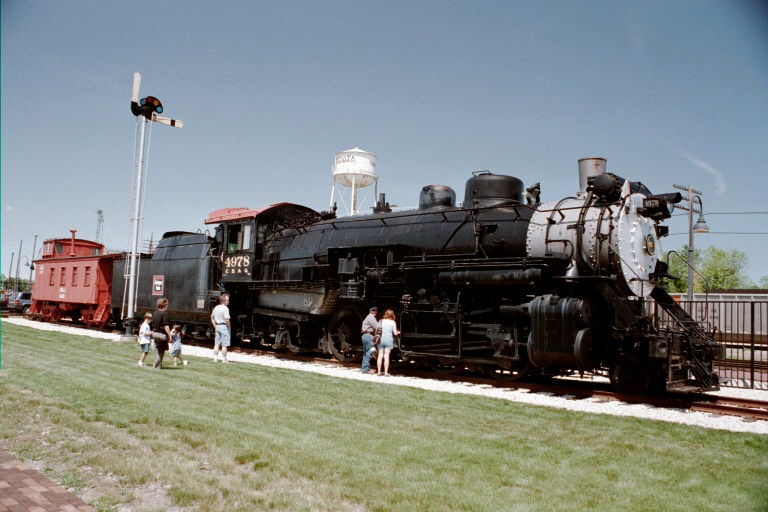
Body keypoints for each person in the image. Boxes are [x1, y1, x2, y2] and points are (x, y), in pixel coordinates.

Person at [376, 309, 400, 376]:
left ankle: (378, 372)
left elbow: (377, 330)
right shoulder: (393, 322)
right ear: (392, 315)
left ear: (385, 314)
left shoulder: (381, 321)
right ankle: (386, 373)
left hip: (381, 339)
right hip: (389, 340)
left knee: (380, 356)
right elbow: (395, 333)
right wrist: (399, 332)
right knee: (386, 356)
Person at [152, 297, 172, 369]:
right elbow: (166, 326)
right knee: (161, 352)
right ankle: (157, 367)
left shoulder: (155, 313)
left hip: (155, 333)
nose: (167, 306)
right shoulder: (165, 314)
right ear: (164, 305)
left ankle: (156, 365)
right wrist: (170, 335)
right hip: (161, 334)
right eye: (167, 305)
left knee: (156, 350)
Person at [211, 293, 231, 363]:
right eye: (227, 300)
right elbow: (226, 319)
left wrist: (215, 326)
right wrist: (229, 327)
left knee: (217, 344)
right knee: (224, 344)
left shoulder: (216, 307)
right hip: (224, 326)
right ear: (223, 301)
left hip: (218, 326)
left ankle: (215, 358)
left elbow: (212, 318)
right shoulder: (225, 309)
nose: (228, 301)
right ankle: (224, 358)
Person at [360, 306, 378, 374]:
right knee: (370, 351)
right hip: (368, 336)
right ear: (375, 312)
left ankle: (364, 368)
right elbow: (376, 326)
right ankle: (366, 369)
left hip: (365, 336)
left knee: (366, 352)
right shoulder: (371, 318)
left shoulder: (368, 317)